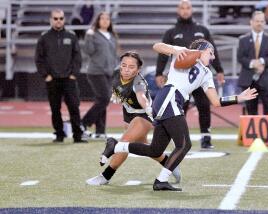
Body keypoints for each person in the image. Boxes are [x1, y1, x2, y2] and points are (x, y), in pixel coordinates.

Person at [101, 39, 258, 191]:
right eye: (211, 52)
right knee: (184, 144)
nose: (213, 57)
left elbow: (215, 101)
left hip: (173, 102)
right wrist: (177, 50)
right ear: (203, 49)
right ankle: (161, 181)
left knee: (155, 150)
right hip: (170, 98)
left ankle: (116, 146)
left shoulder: (207, 73)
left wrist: (239, 98)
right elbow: (157, 46)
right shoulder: (183, 52)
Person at [85, 51, 181, 185]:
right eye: (124, 65)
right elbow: (118, 88)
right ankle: (169, 163)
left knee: (124, 143)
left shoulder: (138, 81)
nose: (126, 70)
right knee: (146, 147)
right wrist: (116, 96)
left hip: (143, 115)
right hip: (128, 114)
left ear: (138, 69)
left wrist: (148, 108)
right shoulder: (116, 74)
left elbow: (141, 97)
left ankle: (105, 176)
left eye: (131, 67)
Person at [155, 0, 225, 149]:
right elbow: (162, 54)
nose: (185, 11)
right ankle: (179, 138)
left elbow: (213, 51)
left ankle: (206, 137)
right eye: (182, 8)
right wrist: (159, 72)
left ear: (191, 10)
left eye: (188, 8)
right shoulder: (171, 32)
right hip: (181, 77)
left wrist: (219, 70)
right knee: (180, 107)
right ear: (178, 10)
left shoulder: (202, 30)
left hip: (199, 77)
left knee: (204, 106)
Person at [35, 9, 87, 143]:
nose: (58, 21)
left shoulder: (71, 36)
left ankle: (78, 136)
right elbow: (39, 58)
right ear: (51, 20)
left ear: (64, 19)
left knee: (74, 107)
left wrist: (74, 74)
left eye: (61, 18)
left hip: (69, 79)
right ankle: (59, 134)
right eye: (56, 18)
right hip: (52, 79)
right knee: (55, 108)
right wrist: (45, 75)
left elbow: (77, 57)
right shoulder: (44, 37)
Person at [237, 11, 268, 142]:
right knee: (251, 108)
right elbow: (240, 57)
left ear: (265, 23)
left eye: (262, 21)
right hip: (248, 79)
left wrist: (262, 62)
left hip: (265, 79)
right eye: (257, 21)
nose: (259, 23)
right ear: (251, 22)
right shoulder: (243, 39)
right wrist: (253, 63)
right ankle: (252, 135)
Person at [81, 12, 118, 139]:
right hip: (95, 71)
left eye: (107, 19)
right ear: (98, 21)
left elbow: (114, 55)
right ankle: (83, 123)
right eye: (102, 19)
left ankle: (100, 131)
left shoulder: (112, 36)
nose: (105, 21)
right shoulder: (93, 34)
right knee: (104, 98)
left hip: (109, 72)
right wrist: (89, 36)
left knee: (102, 100)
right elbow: (88, 51)